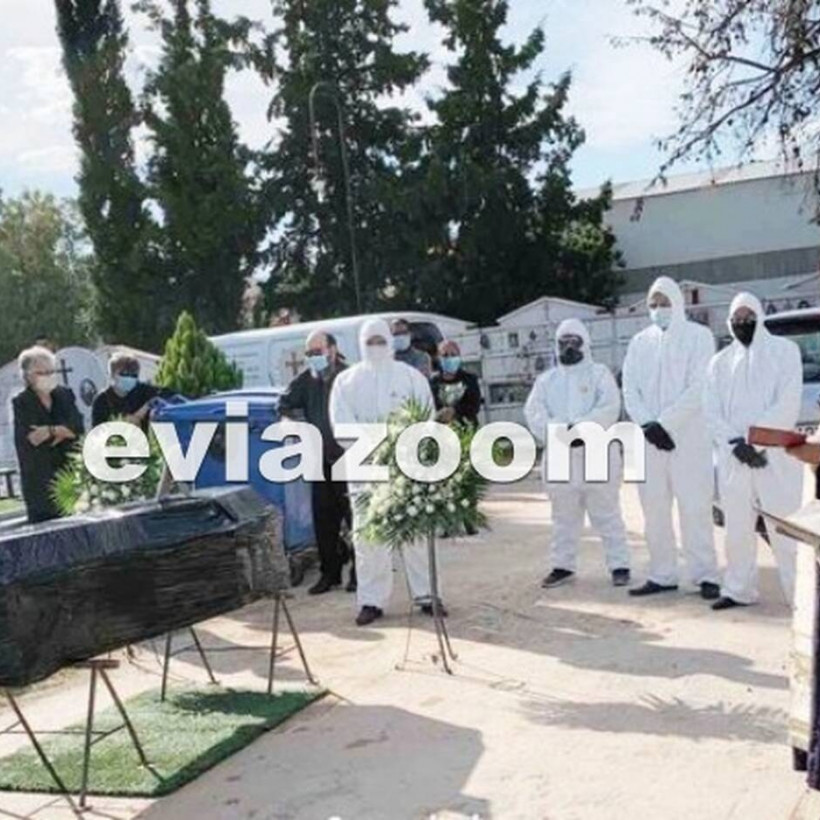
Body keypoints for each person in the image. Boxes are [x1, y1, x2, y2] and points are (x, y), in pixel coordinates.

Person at [330, 317, 439, 626]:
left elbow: (425, 416)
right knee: (369, 539)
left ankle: (427, 595)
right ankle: (371, 600)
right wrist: (376, 444)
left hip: (406, 466)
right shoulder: (346, 382)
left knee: (416, 534)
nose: (376, 347)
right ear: (361, 344)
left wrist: (402, 445)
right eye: (370, 342)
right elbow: (341, 424)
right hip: (365, 470)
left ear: (389, 342)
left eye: (381, 341)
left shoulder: (410, 377)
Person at [622, 276, 720, 599]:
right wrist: (648, 424)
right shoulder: (639, 342)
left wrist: (665, 424)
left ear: (677, 303)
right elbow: (629, 388)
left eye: (664, 303)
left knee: (694, 508)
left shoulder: (699, 337)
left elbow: (699, 386)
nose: (658, 309)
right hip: (648, 441)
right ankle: (662, 574)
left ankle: (704, 575)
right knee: (654, 510)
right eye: (653, 304)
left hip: (688, 439)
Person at [704, 291, 804, 610]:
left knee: (784, 526)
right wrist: (736, 444)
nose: (742, 323)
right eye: (736, 318)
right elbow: (711, 410)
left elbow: (788, 402)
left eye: (748, 317)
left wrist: (755, 441)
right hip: (734, 457)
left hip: (772, 455)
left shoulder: (784, 352)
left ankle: (801, 596)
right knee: (737, 527)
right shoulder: (720, 363)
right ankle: (738, 590)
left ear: (759, 317)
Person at [524, 318, 631, 588]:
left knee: (606, 513)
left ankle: (619, 565)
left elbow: (609, 407)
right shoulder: (546, 380)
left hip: (596, 451)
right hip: (560, 452)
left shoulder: (599, 374)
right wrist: (559, 431)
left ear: (585, 344)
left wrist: (581, 429)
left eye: (575, 342)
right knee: (563, 516)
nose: (569, 347)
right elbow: (534, 412)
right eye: (563, 342)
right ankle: (563, 566)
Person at [279, 329, 354, 595]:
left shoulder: (349, 377)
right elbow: (284, 404)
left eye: (317, 351)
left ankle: (359, 573)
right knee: (324, 521)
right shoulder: (306, 380)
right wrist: (289, 421)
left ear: (332, 350)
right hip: (320, 462)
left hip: (349, 459)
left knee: (354, 518)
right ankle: (329, 573)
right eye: (309, 353)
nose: (313, 357)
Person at [12, 346, 84, 523]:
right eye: (41, 373)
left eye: (50, 372)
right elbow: (34, 438)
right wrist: (62, 431)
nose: (47, 376)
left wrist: (50, 430)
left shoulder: (65, 395)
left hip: (69, 476)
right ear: (28, 375)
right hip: (40, 482)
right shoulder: (22, 403)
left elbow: (77, 428)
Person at [92, 353, 163, 432]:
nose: (129, 378)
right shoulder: (102, 400)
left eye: (134, 375)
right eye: (124, 374)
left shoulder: (143, 391)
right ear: (112, 375)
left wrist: (144, 409)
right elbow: (98, 431)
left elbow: (166, 394)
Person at [430, 340, 482, 426]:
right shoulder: (432, 382)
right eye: (445, 355)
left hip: (466, 429)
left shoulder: (469, 379)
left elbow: (474, 406)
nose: (449, 358)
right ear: (438, 358)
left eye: (453, 355)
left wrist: (455, 411)